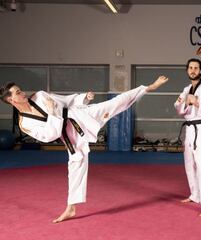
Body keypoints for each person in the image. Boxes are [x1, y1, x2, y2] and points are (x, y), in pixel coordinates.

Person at [0, 76, 169, 223]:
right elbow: (49, 135)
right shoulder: (25, 124)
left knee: (113, 103)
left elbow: (66, 101)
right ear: (11, 101)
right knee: (75, 165)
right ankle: (71, 208)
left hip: (79, 115)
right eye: (17, 93)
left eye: (19, 90)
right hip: (68, 133)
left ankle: (146, 88)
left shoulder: (40, 96)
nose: (22, 93)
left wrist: (84, 98)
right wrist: (52, 113)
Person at [174, 58, 201, 217]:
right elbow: (177, 108)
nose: (193, 70)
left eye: (196, 68)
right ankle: (195, 194)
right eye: (190, 68)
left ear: (200, 71)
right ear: (187, 70)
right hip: (189, 129)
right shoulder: (185, 89)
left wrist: (196, 102)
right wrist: (185, 103)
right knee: (189, 164)